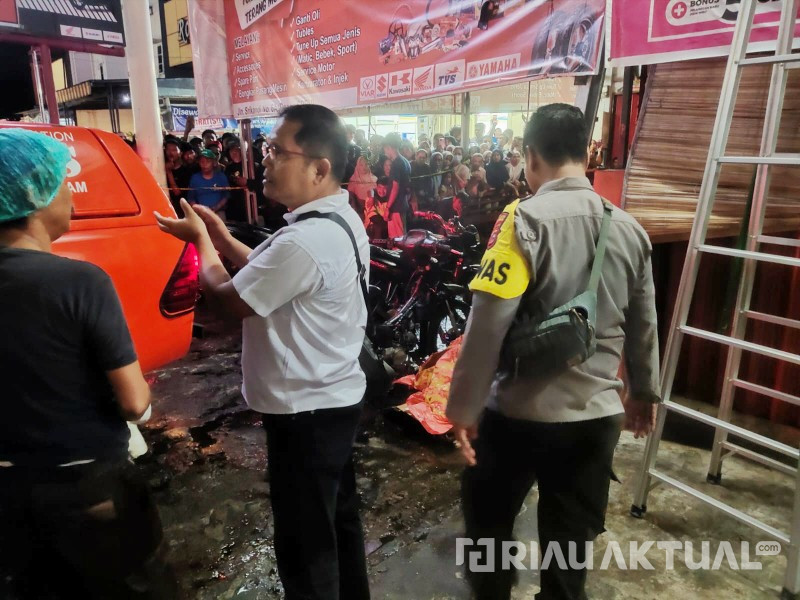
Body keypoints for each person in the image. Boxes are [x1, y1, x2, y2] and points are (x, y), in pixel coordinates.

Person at [155, 104, 371, 600]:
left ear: (319, 168)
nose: (265, 160)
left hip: (305, 415)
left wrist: (200, 246)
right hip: (332, 401)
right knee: (338, 526)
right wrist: (224, 237)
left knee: (306, 545)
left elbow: (232, 302)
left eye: (277, 150)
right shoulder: (336, 219)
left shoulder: (306, 239)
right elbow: (271, 273)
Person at [446, 103, 659, 600]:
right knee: (568, 557)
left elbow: (487, 324)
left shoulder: (521, 221)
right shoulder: (630, 229)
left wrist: (463, 408)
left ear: (529, 156)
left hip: (518, 417)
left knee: (489, 540)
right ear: (585, 153)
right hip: (595, 418)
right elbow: (644, 323)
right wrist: (644, 393)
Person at [0, 129, 176, 599]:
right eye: (61, 181)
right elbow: (134, 401)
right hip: (87, 488)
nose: (71, 193)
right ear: (33, 196)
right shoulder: (80, 281)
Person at [383, 132, 411, 238]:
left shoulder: (396, 163)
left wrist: (388, 207)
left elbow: (395, 187)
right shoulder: (405, 162)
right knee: (402, 237)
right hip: (403, 204)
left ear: (389, 147)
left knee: (397, 240)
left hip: (396, 207)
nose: (385, 152)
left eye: (385, 149)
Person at [188, 149, 229, 219]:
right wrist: (200, 210)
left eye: (208, 161)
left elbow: (226, 195)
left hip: (219, 212)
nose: (204, 164)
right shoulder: (195, 178)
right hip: (200, 213)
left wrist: (216, 207)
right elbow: (191, 198)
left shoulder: (221, 177)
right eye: (202, 161)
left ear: (214, 163)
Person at [224, 141, 250, 222]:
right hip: (234, 205)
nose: (234, 153)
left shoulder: (252, 166)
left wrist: (247, 182)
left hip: (250, 204)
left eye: (237, 150)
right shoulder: (228, 168)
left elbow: (259, 184)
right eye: (232, 151)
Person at [364, 176, 390, 240]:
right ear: (377, 187)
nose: (382, 190)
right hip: (372, 228)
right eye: (380, 187)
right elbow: (371, 213)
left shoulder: (391, 199)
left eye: (385, 188)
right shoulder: (372, 198)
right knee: (377, 227)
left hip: (388, 228)